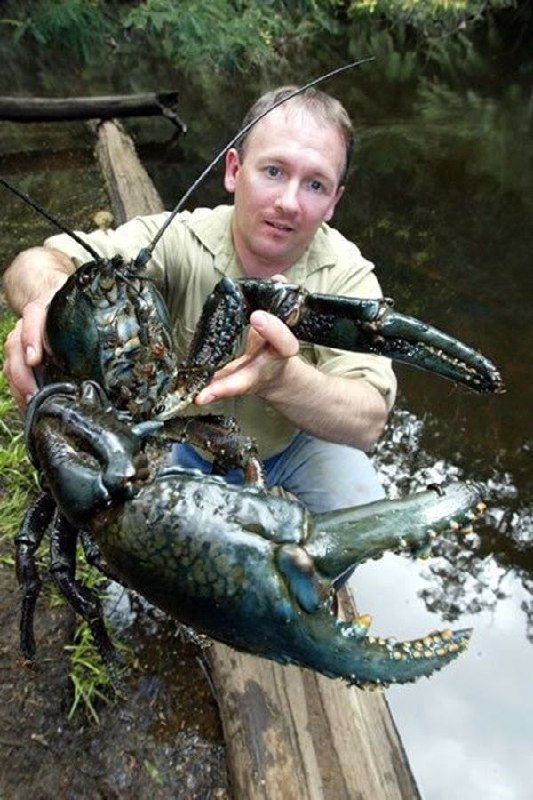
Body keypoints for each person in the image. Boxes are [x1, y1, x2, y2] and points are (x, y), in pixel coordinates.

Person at [2, 86, 396, 514]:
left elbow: (368, 420)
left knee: (366, 512)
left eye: (315, 184)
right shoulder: (176, 240)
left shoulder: (347, 273)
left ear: (334, 201)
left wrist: (282, 380)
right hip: (185, 436)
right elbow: (32, 262)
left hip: (298, 443)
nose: (288, 203)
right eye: (273, 171)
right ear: (234, 170)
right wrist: (50, 299)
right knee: (145, 531)